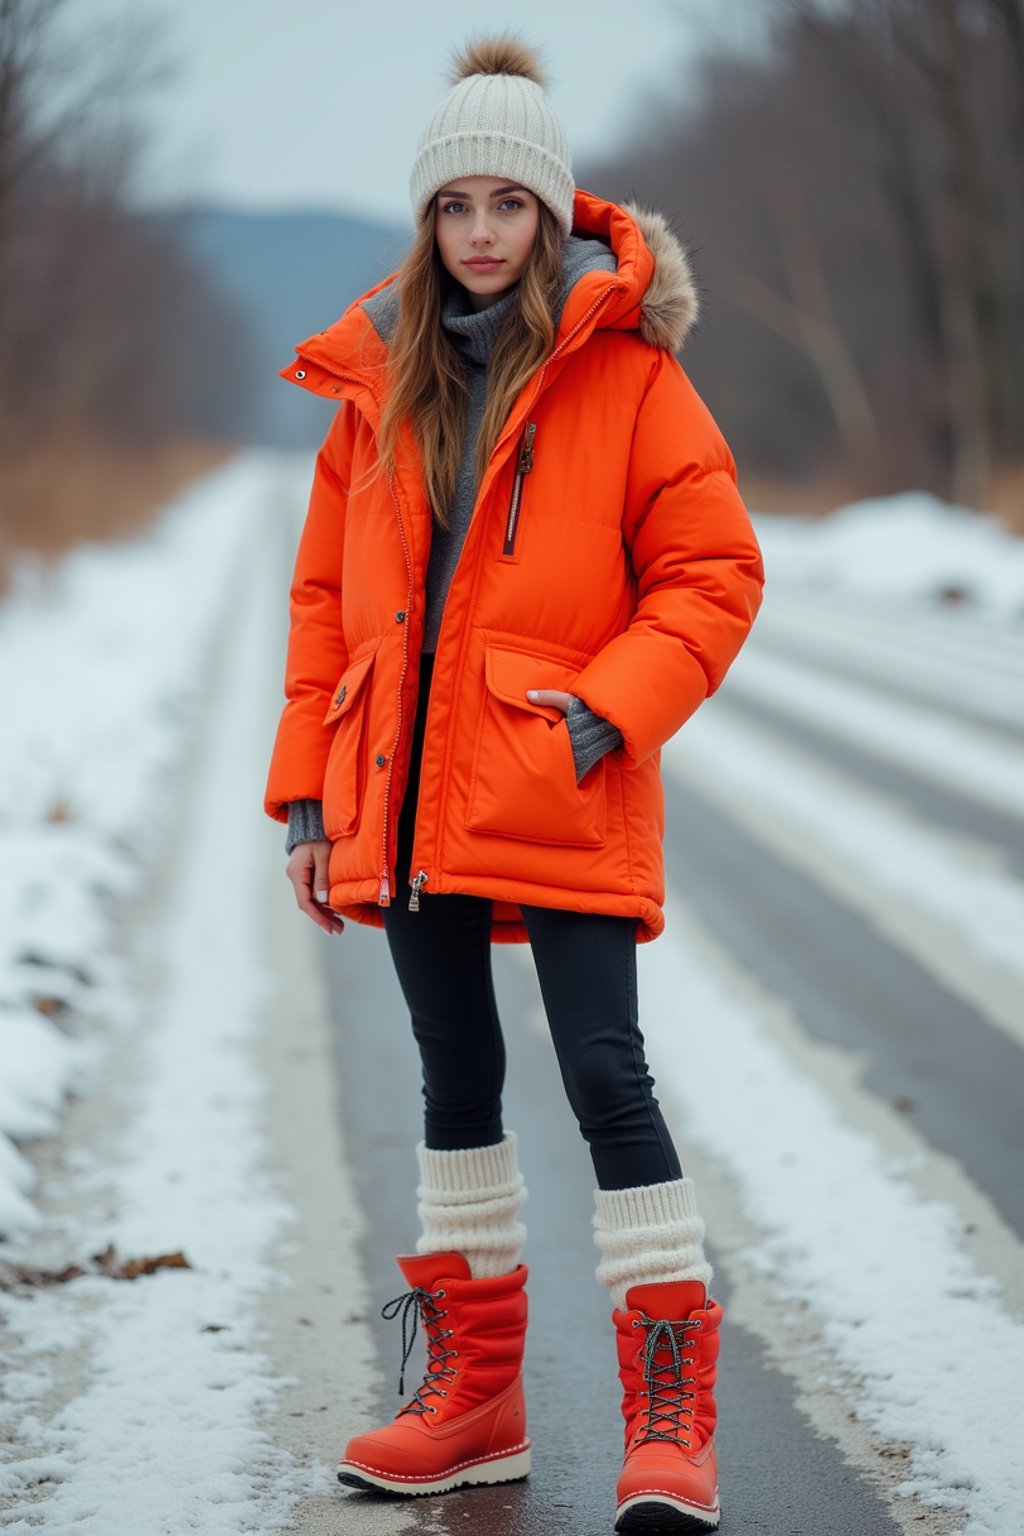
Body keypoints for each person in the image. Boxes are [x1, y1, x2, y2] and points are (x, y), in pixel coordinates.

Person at [264, 33, 763, 1534]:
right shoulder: (378, 386)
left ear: (553, 215)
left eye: (508, 204)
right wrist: (309, 798)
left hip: (558, 780)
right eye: (454, 205)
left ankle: (669, 1421)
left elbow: (715, 572)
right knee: (454, 1077)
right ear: (425, 224)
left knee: (605, 1073)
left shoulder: (627, 373)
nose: (481, 232)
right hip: (406, 791)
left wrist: (609, 711)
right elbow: (319, 607)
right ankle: (474, 1402)